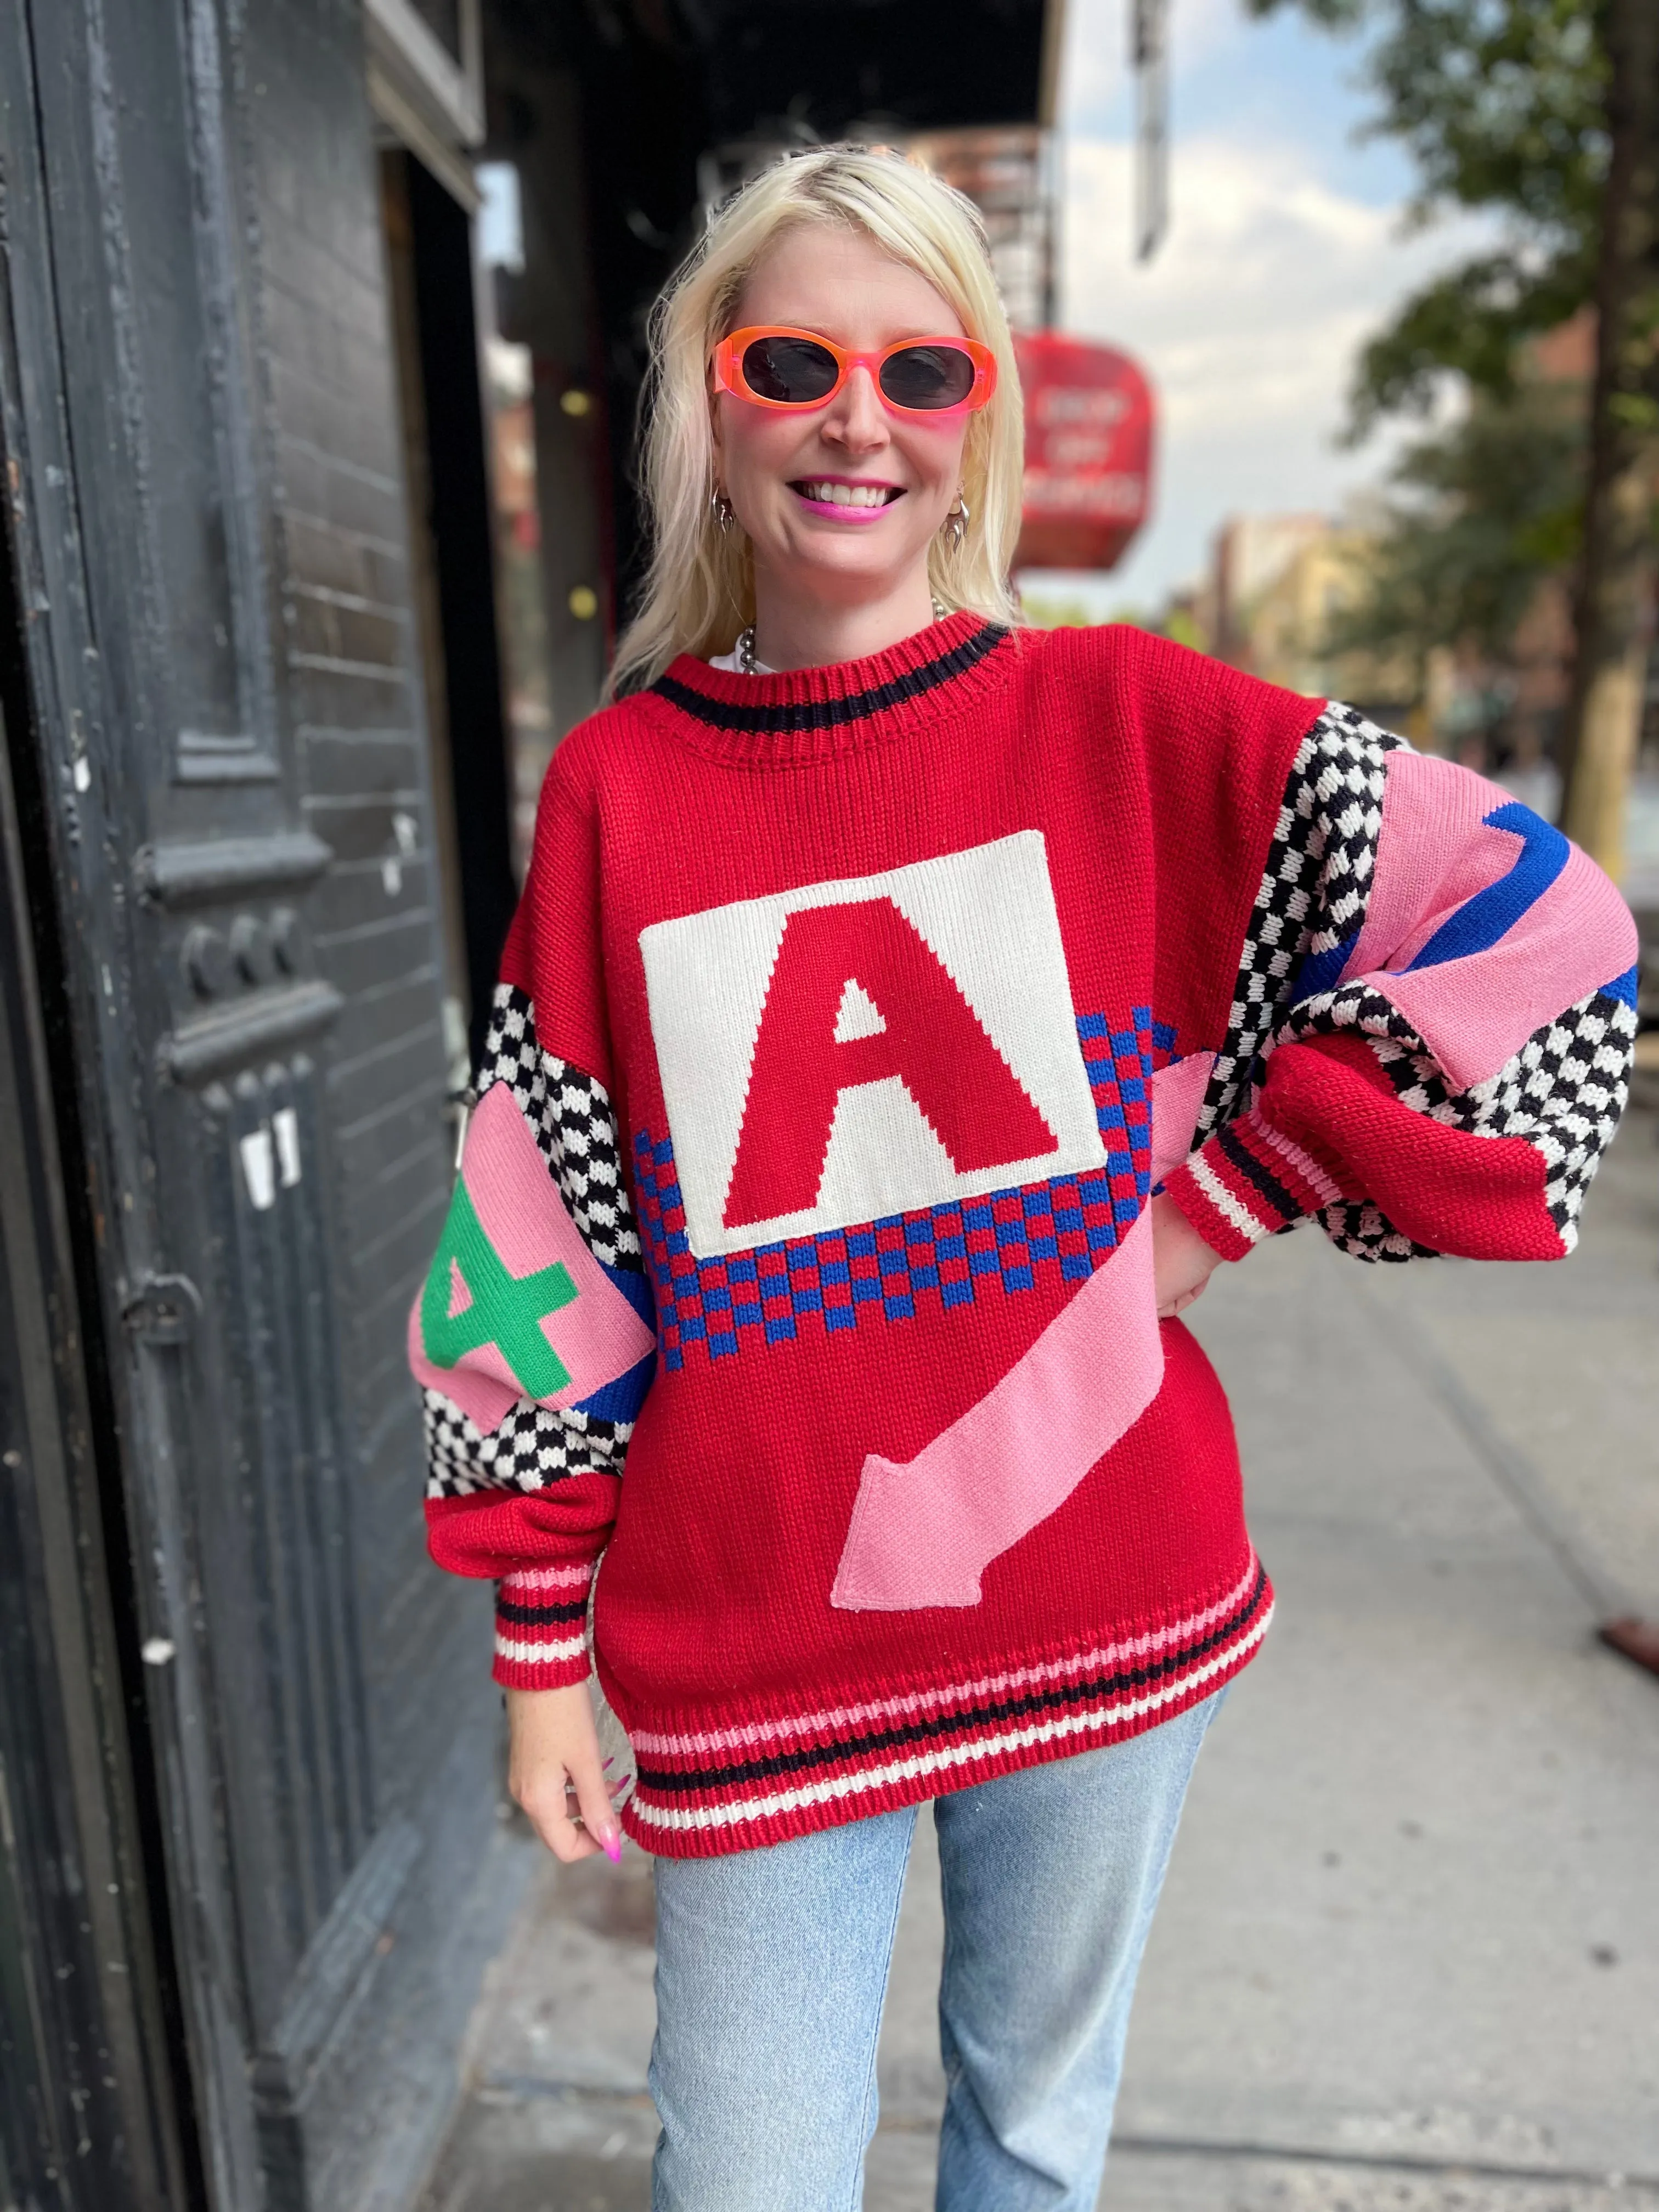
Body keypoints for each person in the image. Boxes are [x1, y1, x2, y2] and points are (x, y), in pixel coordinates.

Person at [409, 148, 1638, 2211]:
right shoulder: (622, 785)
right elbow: (549, 1216)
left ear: (981, 413)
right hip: (754, 1646)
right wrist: (544, 1633)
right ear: (710, 410)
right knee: (746, 2173)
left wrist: (1218, 1200)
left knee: (1034, 2148)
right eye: (789, 358)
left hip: (1103, 1604)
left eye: (924, 367)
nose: (855, 416)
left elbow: (1543, 933)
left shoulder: (1121, 717)